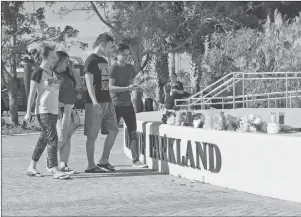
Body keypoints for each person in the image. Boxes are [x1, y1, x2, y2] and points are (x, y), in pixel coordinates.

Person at [24, 45, 70, 180]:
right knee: (53, 138)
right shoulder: (37, 72)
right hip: (43, 111)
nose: (54, 60)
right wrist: (28, 112)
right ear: (44, 57)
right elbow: (32, 93)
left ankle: (31, 167)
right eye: (52, 57)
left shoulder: (53, 73)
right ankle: (55, 170)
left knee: (43, 140)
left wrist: (59, 108)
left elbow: (53, 92)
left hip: (53, 111)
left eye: (55, 58)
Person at [84, 33, 119, 173]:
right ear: (102, 44)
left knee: (114, 130)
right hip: (95, 103)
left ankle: (104, 160)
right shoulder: (90, 61)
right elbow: (89, 83)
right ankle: (90, 165)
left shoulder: (104, 61)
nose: (110, 49)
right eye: (109, 46)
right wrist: (94, 102)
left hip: (108, 102)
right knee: (92, 136)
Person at [109, 43, 148, 168]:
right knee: (112, 133)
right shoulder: (113, 68)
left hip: (128, 105)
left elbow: (133, 83)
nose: (126, 57)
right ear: (117, 54)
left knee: (133, 132)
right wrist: (127, 88)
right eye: (124, 55)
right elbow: (110, 88)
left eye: (127, 55)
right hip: (116, 105)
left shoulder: (130, 68)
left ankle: (135, 160)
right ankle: (104, 159)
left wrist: (141, 86)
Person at [53, 51, 82, 174]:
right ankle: (51, 162)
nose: (67, 63)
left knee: (67, 138)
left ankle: (63, 164)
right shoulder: (53, 75)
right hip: (60, 109)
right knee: (61, 137)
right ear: (59, 61)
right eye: (65, 61)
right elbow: (50, 93)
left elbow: (79, 86)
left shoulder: (68, 75)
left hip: (70, 109)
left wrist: (73, 70)